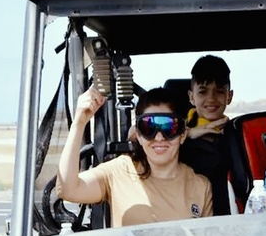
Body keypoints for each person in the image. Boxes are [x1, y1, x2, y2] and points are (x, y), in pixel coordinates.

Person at [57, 86, 213, 227]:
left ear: (183, 134)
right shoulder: (119, 171)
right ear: (138, 134)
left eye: (168, 127)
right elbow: (68, 189)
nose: (159, 137)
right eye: (148, 127)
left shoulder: (200, 186)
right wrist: (79, 123)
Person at [179, 55, 233, 215]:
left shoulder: (236, 134)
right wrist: (188, 133)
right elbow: (136, 135)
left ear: (229, 96)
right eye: (203, 92)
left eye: (219, 92)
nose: (211, 98)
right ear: (191, 97)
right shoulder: (174, 133)